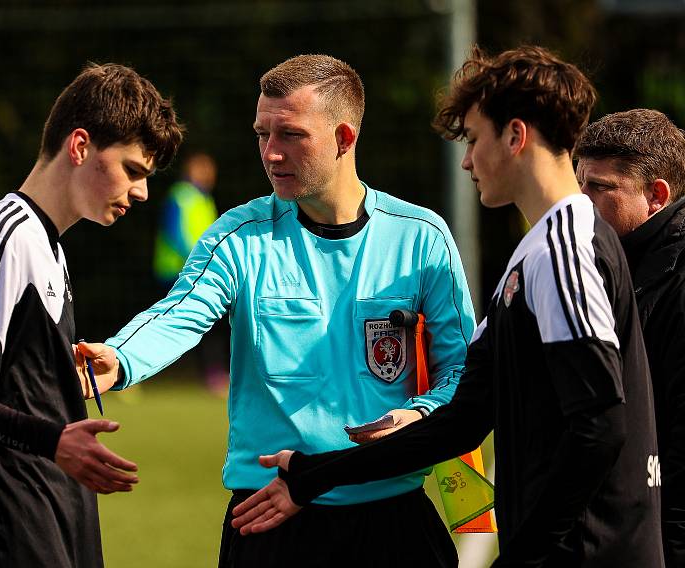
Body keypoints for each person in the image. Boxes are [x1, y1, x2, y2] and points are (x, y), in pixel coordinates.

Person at [231, 46, 665, 567]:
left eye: (474, 139)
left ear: (514, 137)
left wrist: (524, 554)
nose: (466, 160)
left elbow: (599, 426)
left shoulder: (565, 250)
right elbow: (462, 418)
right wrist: (315, 475)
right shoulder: (535, 252)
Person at [78, 54, 475, 567]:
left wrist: (417, 415)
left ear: (344, 138)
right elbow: (180, 312)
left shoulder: (420, 238)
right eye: (261, 134)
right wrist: (121, 356)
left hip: (390, 514)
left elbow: (463, 371)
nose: (270, 153)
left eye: (290, 135)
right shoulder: (238, 236)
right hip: (268, 516)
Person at [0, 62, 183, 567]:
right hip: (2, 535)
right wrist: (52, 439)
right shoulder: (6, 234)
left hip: (48, 526)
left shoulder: (49, 248)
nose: (143, 192)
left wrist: (55, 376)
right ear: (80, 146)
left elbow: (9, 382)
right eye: (132, 169)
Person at [574, 108, 685, 566]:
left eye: (600, 188)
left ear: (656, 195)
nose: (581, 201)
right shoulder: (610, 260)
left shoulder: (675, 281)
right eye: (577, 184)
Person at [153, 151, 229, 393]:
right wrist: (196, 258)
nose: (207, 175)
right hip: (175, 271)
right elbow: (175, 233)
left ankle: (212, 374)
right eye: (201, 170)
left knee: (210, 324)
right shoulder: (181, 196)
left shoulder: (205, 199)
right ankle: (151, 369)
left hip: (201, 271)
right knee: (168, 323)